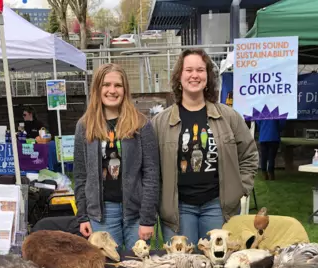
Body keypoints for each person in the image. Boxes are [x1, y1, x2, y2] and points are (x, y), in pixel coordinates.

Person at [152, 48, 259, 246]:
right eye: (189, 70)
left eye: (200, 70)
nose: (195, 75)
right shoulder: (160, 122)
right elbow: (150, 168)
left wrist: (240, 189)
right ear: (179, 76)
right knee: (181, 265)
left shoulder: (229, 117)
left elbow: (249, 155)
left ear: (208, 76)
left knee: (218, 264)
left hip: (217, 207)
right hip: (178, 209)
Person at [74, 63, 159, 251]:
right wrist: (83, 217)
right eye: (106, 85)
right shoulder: (85, 126)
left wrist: (147, 219)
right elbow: (80, 175)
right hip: (102, 214)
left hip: (135, 213)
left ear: (125, 89)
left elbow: (151, 174)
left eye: (118, 85)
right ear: (97, 88)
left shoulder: (141, 125)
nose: (112, 90)